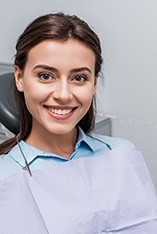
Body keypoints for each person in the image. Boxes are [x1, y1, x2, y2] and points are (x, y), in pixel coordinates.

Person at [0, 12, 157, 233]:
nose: (63, 94)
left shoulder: (122, 153)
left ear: (94, 84)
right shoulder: (5, 176)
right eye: (45, 76)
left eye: (79, 78)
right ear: (19, 78)